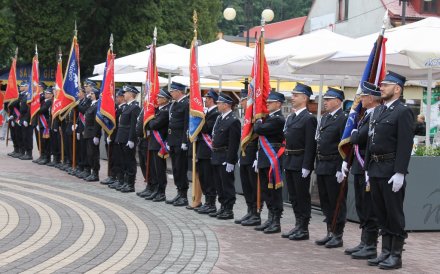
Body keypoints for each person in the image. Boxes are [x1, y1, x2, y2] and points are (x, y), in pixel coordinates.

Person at [365, 71, 414, 270]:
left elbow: (405, 143)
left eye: (385, 85)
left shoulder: (403, 112)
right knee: (380, 212)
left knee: (394, 213)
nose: (381, 88)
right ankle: (385, 251)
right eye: (382, 85)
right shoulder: (378, 111)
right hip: (376, 168)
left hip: (391, 169)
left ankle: (396, 254)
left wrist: (400, 171)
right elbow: (370, 141)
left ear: (397, 88)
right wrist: (368, 166)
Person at [342, 82, 380, 259]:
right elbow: (355, 137)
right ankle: (364, 242)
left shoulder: (375, 116)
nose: (361, 99)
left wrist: (356, 134)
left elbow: (358, 137)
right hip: (358, 166)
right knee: (361, 206)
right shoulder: (366, 115)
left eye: (363, 96)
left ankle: (371, 245)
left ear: (371, 98)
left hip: (366, 166)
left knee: (369, 207)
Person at [282, 84, 317, 240]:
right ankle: (298, 224)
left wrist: (307, 165)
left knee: (302, 196)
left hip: (300, 160)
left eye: (296, 95)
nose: (292, 98)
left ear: (304, 97)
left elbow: (311, 144)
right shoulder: (292, 117)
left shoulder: (309, 118)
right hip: (290, 160)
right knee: (294, 196)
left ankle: (304, 228)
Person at [314, 87, 348, 248]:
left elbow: (344, 146)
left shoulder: (343, 119)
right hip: (322, 164)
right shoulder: (326, 118)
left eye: (328, 99)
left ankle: (337, 234)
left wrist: (341, 167)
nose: (325, 102)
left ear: (338, 101)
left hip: (334, 165)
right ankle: (329, 231)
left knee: (336, 201)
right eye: (325, 99)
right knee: (325, 201)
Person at [253, 91, 286, 234]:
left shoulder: (278, 119)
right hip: (264, 158)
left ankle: (276, 221)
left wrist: (258, 121)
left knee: (274, 191)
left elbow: (259, 129)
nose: (267, 104)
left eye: (270, 102)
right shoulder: (268, 117)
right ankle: (270, 218)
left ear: (278, 103)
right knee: (266, 191)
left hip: (273, 159)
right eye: (266, 102)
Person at [209, 93, 241, 220]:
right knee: (218, 183)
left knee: (227, 183)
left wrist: (230, 161)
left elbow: (234, 143)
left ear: (227, 105)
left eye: (220, 103)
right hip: (216, 154)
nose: (218, 105)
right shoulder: (220, 118)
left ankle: (229, 209)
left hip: (225, 156)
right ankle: (222, 206)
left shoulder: (233, 120)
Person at [236, 89, 261, 226]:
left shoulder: (256, 116)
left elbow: (258, 137)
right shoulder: (246, 116)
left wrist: (257, 155)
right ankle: (249, 210)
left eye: (244, 100)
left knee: (253, 185)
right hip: (245, 154)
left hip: (253, 156)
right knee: (246, 185)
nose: (242, 103)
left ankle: (256, 213)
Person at [144, 89, 171, 201]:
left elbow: (154, 125)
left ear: (165, 99)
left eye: (159, 97)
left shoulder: (165, 111)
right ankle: (156, 190)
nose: (157, 99)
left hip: (159, 144)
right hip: (154, 142)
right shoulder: (159, 110)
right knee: (154, 169)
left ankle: (161, 192)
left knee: (160, 169)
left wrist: (150, 120)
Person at [165, 82, 190, 206]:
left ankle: (183, 196)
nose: (171, 93)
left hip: (181, 142)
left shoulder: (186, 104)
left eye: (173, 91)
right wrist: (169, 141)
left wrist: (185, 141)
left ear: (179, 91)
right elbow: (171, 124)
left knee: (181, 169)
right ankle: (179, 193)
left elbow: (186, 124)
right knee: (175, 169)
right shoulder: (175, 104)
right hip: (173, 141)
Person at [196, 89, 220, 214]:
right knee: (203, 177)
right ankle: (207, 202)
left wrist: (197, 120)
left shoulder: (215, 113)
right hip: (202, 149)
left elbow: (206, 128)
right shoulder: (208, 113)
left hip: (208, 150)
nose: (205, 100)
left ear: (211, 99)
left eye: (207, 98)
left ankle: (211, 203)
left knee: (209, 178)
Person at [114, 85, 141, 193]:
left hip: (127, 138)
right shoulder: (126, 107)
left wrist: (131, 139)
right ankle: (125, 182)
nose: (124, 94)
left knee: (130, 162)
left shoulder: (135, 107)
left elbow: (133, 125)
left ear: (131, 94)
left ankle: (130, 184)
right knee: (123, 161)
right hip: (122, 137)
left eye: (125, 93)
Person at [101, 88, 126, 185]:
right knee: (111, 157)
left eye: (117, 97)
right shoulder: (116, 108)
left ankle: (116, 177)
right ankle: (112, 175)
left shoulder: (120, 109)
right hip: (112, 136)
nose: (116, 98)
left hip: (116, 137)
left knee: (117, 159)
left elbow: (117, 125)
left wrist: (111, 136)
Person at [82, 87, 101, 182]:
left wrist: (96, 135)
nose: (90, 95)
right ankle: (91, 172)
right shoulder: (91, 104)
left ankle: (95, 173)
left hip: (92, 133)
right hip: (88, 132)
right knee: (89, 154)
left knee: (93, 154)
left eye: (93, 94)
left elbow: (97, 122)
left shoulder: (97, 105)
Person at [36, 86, 54, 165]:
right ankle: (42, 156)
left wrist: (35, 109)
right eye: (45, 93)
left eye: (48, 93)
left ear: (51, 95)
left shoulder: (49, 101)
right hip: (41, 123)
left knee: (47, 142)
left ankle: (47, 158)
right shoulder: (43, 100)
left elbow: (43, 110)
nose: (46, 94)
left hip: (46, 123)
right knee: (42, 141)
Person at [18, 81, 33, 160]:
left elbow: (29, 108)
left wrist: (27, 119)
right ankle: (26, 152)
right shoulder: (25, 95)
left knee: (28, 136)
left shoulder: (30, 96)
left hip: (27, 118)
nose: (26, 87)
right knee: (24, 136)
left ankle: (29, 153)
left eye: (26, 86)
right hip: (23, 117)